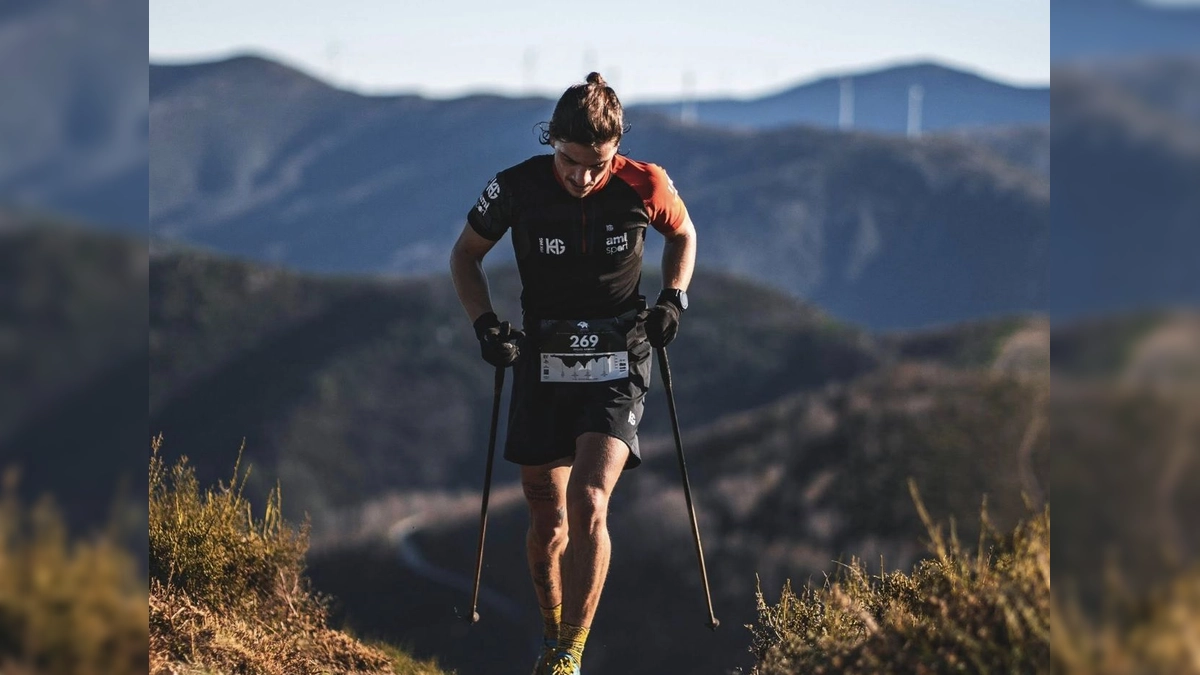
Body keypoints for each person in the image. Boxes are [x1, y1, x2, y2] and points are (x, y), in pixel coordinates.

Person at [449, 72, 697, 675]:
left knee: (589, 501)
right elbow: (465, 255)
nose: (584, 177)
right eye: (570, 161)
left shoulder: (646, 182)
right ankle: (552, 633)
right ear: (551, 140)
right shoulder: (514, 188)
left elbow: (684, 233)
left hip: (619, 354)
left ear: (617, 152)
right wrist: (486, 325)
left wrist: (673, 299)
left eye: (599, 164)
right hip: (544, 354)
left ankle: (570, 655)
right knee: (548, 516)